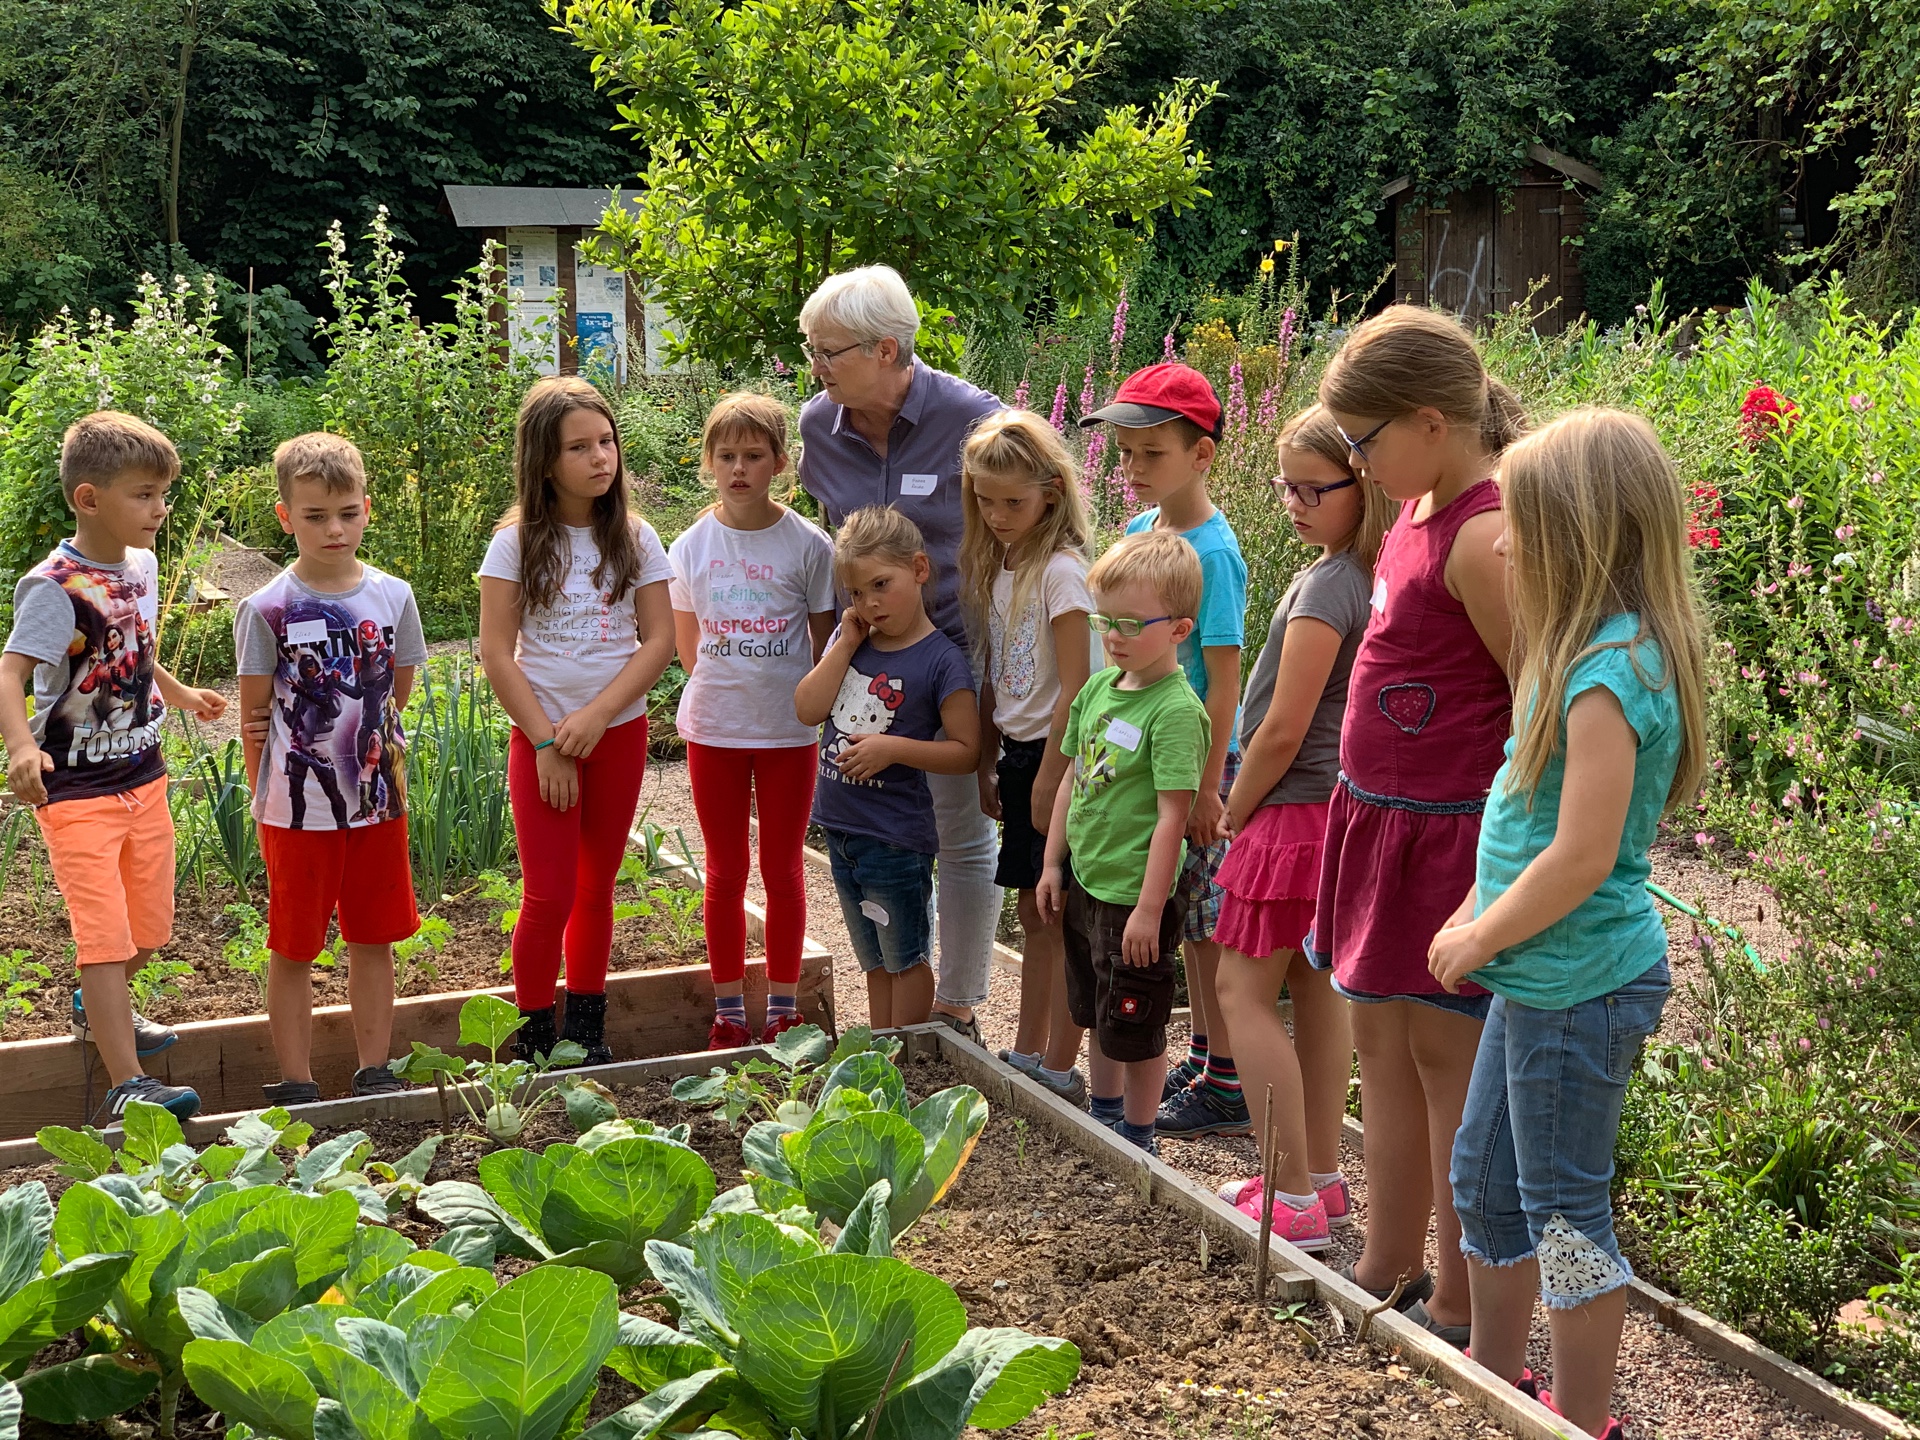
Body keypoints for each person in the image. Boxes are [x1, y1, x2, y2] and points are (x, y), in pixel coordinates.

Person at [1432, 409, 1705, 1440]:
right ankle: (1497, 1387)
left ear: (1582, 533)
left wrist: (1483, 934)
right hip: (1539, 976)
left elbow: (1582, 854)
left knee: (1566, 1222)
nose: (1500, 539)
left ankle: (1583, 1423)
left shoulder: (1611, 673)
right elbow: (1518, 813)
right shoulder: (1568, 649)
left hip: (1580, 986)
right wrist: (1474, 906)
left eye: (1522, 520)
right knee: (1486, 1187)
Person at [1310, 305, 1524, 1347]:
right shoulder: (1415, 507)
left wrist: (1502, 869)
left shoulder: (1487, 533)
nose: (1358, 461)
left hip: (1448, 839)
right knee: (1379, 1052)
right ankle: (1385, 1266)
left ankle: (1459, 1299)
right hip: (1377, 826)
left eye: (1366, 440)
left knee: (1447, 1071)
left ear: (1431, 422)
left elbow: (1540, 705)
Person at [796, 265, 1003, 1042]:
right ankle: (898, 989)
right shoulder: (820, 427)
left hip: (957, 646)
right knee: (882, 824)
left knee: (960, 826)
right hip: (873, 659)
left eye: (829, 350)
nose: (817, 365)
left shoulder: (974, 421)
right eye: (812, 348)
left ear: (887, 349)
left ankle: (956, 1003)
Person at [0, 411, 226, 1120]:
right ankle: (128, 1083)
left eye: (164, 494)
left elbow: (136, 653)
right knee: (103, 938)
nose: (160, 509)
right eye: (144, 494)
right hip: (75, 789)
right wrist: (20, 746)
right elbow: (10, 674)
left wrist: (182, 696)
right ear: (88, 498)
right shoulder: (55, 587)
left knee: (150, 931)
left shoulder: (143, 565)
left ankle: (93, 1006)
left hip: (143, 775)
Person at [1210, 406, 1392, 1245]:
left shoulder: (1328, 588)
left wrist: (1230, 807)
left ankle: (1287, 1196)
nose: (1293, 500)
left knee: (1239, 992)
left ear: (1365, 483)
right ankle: (1321, 1176)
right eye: (1286, 484)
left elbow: (1283, 726)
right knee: (1317, 992)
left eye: (1314, 487)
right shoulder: (1365, 575)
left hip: (1287, 813)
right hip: (1338, 815)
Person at [479, 376, 675, 1065]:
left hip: (615, 736)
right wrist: (545, 741)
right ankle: (533, 1040)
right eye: (579, 447)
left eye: (607, 442)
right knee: (547, 894)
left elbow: (660, 643)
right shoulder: (514, 543)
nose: (601, 458)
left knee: (597, 889)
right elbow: (496, 654)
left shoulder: (638, 538)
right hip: (544, 744)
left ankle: (586, 1035)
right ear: (543, 460)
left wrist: (597, 716)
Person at [1080, 363, 1250, 1140]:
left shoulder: (1213, 553)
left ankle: (1224, 1077)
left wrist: (1212, 789)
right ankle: (1207, 1054)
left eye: (1151, 454)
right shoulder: (1143, 536)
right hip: (1142, 762)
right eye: (1125, 454)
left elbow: (1221, 683)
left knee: (1203, 923)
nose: (1134, 469)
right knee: (1180, 923)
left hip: (1195, 765)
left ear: (1201, 455)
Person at [236, 432, 426, 1103]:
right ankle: (296, 1079)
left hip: (377, 798)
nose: (333, 528)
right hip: (297, 810)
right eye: (314, 516)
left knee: (373, 938)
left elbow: (395, 692)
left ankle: (374, 1069)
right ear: (286, 516)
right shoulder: (265, 609)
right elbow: (254, 715)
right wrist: (269, 801)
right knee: (294, 944)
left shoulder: (394, 596)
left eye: (346, 512)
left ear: (366, 509)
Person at [668, 392, 837, 1048]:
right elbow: (689, 651)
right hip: (715, 729)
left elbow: (822, 650)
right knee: (725, 868)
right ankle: (731, 1010)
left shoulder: (808, 546)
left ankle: (786, 1007)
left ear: (780, 464)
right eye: (727, 455)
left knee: (784, 867)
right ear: (709, 461)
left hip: (787, 733)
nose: (739, 468)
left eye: (753, 455)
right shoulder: (688, 548)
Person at [1037, 530, 1209, 1156]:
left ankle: (1139, 1138)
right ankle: (1103, 1116)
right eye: (1105, 619)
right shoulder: (1097, 692)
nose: (1112, 635)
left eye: (1132, 624)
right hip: (1086, 880)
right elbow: (1071, 784)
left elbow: (1172, 819)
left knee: (1138, 1020)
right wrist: (1054, 863)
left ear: (1179, 630)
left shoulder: (1176, 711)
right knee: (1094, 1009)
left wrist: (1147, 908)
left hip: (1135, 894)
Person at [796, 506, 979, 1028]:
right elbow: (807, 709)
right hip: (842, 829)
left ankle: (911, 1054)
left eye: (881, 584)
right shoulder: (852, 642)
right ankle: (882, 1051)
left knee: (905, 957)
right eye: (855, 593)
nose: (869, 603)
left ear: (920, 569)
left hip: (895, 836)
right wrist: (846, 640)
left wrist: (893, 748)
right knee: (873, 959)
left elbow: (967, 750)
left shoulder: (942, 659)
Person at [958, 409, 1094, 1099]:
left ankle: (1049, 1056)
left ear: (1051, 489)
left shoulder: (1062, 572)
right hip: (1014, 751)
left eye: (1013, 501)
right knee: (1030, 910)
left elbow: (1078, 687)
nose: (999, 514)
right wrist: (988, 758)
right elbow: (996, 670)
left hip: (1055, 754)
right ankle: (1029, 1046)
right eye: (985, 500)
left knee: (1053, 912)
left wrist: (1050, 776)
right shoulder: (1004, 563)